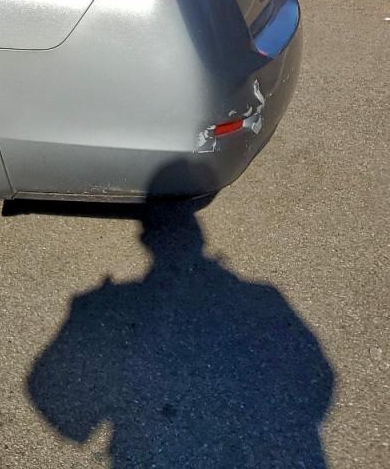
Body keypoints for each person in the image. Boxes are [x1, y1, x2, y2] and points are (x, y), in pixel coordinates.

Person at [27, 181, 334, 468]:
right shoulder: (266, 298)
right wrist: (287, 423)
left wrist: (86, 425)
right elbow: (319, 374)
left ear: (144, 240)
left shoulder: (105, 303)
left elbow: (44, 384)